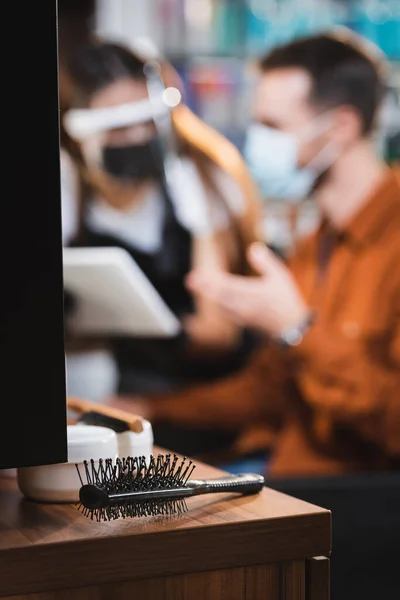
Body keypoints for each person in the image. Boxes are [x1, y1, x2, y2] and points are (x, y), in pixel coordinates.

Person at [117, 30, 400, 477]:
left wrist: (296, 331)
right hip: (280, 465)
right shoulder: (317, 242)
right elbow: (267, 392)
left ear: (341, 126)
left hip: (355, 495)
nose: (257, 143)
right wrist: (146, 407)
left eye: (273, 127)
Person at [61, 40, 263, 459]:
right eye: (117, 127)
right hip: (117, 398)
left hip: (208, 400)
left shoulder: (200, 185)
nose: (136, 137)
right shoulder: (69, 194)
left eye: (147, 121)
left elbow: (218, 334)